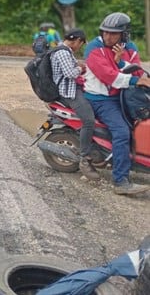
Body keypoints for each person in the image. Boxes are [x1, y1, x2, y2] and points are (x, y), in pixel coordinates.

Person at [84, 12, 150, 195]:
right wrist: (135, 81)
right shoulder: (93, 48)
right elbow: (108, 75)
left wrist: (121, 62)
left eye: (113, 33)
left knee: (140, 124)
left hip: (122, 96)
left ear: (124, 34)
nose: (108, 36)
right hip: (101, 99)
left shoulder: (130, 47)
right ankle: (120, 181)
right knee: (122, 132)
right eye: (105, 32)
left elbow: (137, 71)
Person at [50, 28, 99, 180]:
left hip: (72, 89)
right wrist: (81, 67)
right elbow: (70, 74)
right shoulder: (62, 52)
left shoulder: (65, 51)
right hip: (69, 93)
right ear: (77, 40)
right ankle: (85, 158)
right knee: (89, 120)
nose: (80, 47)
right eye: (81, 44)